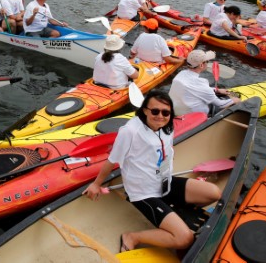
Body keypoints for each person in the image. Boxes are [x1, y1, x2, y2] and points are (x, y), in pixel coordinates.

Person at [83, 91, 221, 252]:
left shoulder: (166, 127)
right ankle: (133, 236)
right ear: (145, 110)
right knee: (184, 239)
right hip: (143, 192)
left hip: (164, 182)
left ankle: (173, 212)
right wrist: (96, 184)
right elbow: (112, 160)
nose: (160, 116)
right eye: (155, 111)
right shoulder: (130, 131)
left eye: (166, 112)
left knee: (214, 193)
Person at [169, 50, 240, 116]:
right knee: (233, 102)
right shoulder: (201, 83)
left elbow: (195, 89)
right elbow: (221, 105)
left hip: (175, 110)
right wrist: (234, 100)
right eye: (207, 61)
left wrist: (216, 90)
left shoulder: (181, 73)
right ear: (201, 65)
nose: (208, 63)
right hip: (193, 115)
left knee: (213, 89)